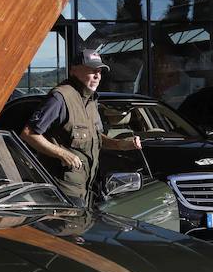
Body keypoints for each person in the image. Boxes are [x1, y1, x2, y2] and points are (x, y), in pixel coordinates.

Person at [20, 48, 143, 205]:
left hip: (87, 189)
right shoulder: (60, 98)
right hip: (63, 192)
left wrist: (119, 144)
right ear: (74, 70)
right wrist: (63, 154)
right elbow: (29, 134)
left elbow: (95, 138)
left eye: (99, 71)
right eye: (92, 70)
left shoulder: (91, 100)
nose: (97, 76)